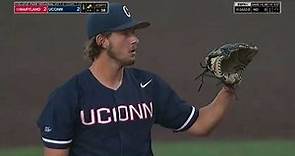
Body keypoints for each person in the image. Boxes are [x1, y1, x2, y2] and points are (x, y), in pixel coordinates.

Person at [37, 2, 236, 156]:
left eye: (134, 32)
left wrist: (228, 89)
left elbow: (200, 124)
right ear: (102, 41)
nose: (135, 39)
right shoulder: (67, 97)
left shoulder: (148, 86)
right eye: (125, 33)